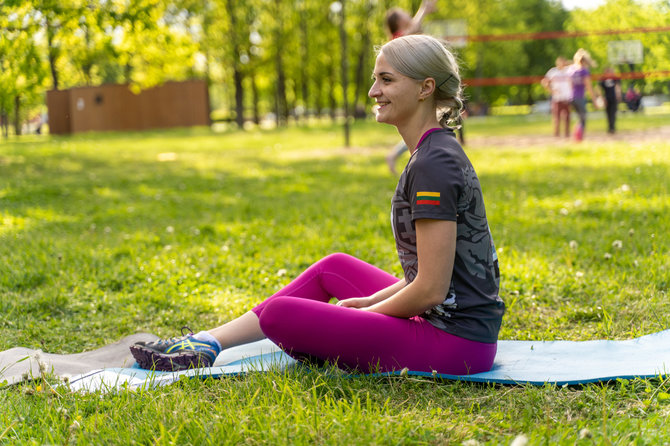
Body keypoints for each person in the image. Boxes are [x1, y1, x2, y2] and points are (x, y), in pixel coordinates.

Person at [130, 34, 505, 376]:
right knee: (334, 268)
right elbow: (422, 280)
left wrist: (362, 315)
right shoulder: (432, 152)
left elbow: (430, 290)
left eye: (387, 80)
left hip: (457, 344)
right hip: (446, 324)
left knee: (280, 315)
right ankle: (207, 342)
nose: (374, 90)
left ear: (425, 88)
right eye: (376, 79)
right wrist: (368, 301)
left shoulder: (433, 164)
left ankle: (303, 337)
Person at [384, 0, 437, 174]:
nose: (408, 14)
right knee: (426, 127)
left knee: (430, 125)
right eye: (403, 13)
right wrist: (424, 8)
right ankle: (406, 159)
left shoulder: (405, 35)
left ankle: (418, 162)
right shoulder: (398, 38)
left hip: (415, 88)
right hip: (410, 90)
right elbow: (413, 28)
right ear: (398, 21)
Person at [569, 48, 601, 141]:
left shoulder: (572, 70)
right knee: (583, 119)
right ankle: (579, 139)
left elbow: (570, 85)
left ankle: (576, 137)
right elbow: (589, 87)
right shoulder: (584, 71)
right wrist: (595, 101)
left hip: (572, 98)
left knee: (579, 118)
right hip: (580, 97)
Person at [541, 56, 572, 138]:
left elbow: (575, 64)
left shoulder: (568, 71)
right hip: (557, 98)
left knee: (567, 117)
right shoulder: (553, 72)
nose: (563, 64)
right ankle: (557, 134)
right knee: (557, 118)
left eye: (564, 62)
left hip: (567, 97)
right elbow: (544, 82)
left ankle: (567, 134)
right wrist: (552, 91)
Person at [599, 66, 622, 134]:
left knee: (613, 113)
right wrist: (602, 98)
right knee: (608, 113)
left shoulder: (615, 78)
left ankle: (612, 127)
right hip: (606, 98)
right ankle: (610, 127)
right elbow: (599, 89)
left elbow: (617, 87)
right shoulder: (603, 79)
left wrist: (618, 95)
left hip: (613, 98)